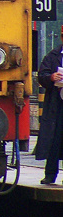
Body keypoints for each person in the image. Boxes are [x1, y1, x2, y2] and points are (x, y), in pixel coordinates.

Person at [35, 28, 63, 185]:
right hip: (56, 104)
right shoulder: (52, 56)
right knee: (54, 139)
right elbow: (42, 76)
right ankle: (50, 174)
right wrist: (51, 77)